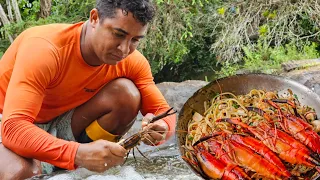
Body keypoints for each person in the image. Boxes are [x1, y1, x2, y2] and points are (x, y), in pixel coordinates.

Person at [0, 0, 176, 179]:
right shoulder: (45, 49)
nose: (124, 49)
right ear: (94, 18)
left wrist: (161, 127)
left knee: (126, 95)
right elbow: (13, 128)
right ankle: (72, 158)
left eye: (135, 40)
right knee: (20, 172)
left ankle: (77, 165)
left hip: (59, 121)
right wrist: (77, 153)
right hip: (7, 123)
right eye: (118, 34)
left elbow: (163, 111)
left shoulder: (132, 62)